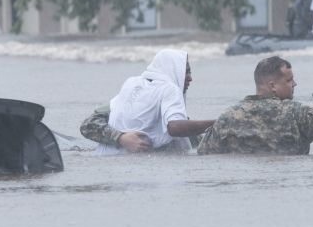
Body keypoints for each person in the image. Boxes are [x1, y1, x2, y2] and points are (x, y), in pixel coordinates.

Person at [197, 56, 313, 155]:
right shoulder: (296, 113)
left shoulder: (227, 117)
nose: (294, 84)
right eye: (289, 80)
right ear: (272, 86)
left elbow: (204, 153)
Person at [80, 49, 214, 154]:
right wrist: (121, 138)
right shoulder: (161, 89)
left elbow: (187, 135)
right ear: (173, 71)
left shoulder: (134, 84)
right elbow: (88, 125)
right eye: (186, 72)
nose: (190, 78)